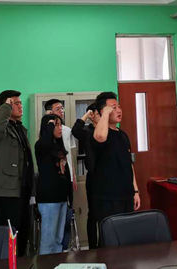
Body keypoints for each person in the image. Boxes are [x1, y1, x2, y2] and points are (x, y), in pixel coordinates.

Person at [0, 90, 34, 255]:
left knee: (23, 233)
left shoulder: (20, 128)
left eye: (20, 103)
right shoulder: (1, 130)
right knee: (9, 236)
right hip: (7, 191)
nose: (20, 106)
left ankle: (21, 263)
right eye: (16, 103)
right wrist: (6, 106)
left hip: (23, 189)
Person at [91, 92, 140, 228]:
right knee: (111, 236)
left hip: (126, 195)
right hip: (108, 198)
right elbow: (100, 137)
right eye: (114, 107)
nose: (119, 110)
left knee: (127, 234)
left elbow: (129, 164)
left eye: (119, 107)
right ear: (104, 111)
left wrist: (135, 191)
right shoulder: (99, 133)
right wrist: (105, 114)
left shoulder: (123, 135)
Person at [34, 114, 72, 254]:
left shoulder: (59, 147)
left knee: (58, 239)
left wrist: (69, 196)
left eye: (60, 124)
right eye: (56, 125)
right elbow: (45, 143)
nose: (60, 128)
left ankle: (56, 263)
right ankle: (45, 263)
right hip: (49, 199)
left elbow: (66, 172)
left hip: (61, 197)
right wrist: (50, 124)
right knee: (48, 239)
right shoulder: (41, 145)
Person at [44, 98, 77, 251]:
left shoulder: (66, 132)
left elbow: (70, 158)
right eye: (58, 109)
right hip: (52, 186)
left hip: (66, 182)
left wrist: (73, 176)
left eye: (62, 108)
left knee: (66, 219)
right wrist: (50, 124)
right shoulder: (45, 137)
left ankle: (63, 251)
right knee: (51, 229)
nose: (62, 111)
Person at [71, 102, 101, 248]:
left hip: (107, 176)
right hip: (93, 177)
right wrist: (87, 115)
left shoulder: (107, 131)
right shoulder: (87, 131)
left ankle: (105, 245)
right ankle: (93, 247)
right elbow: (75, 130)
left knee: (106, 213)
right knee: (93, 213)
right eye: (99, 113)